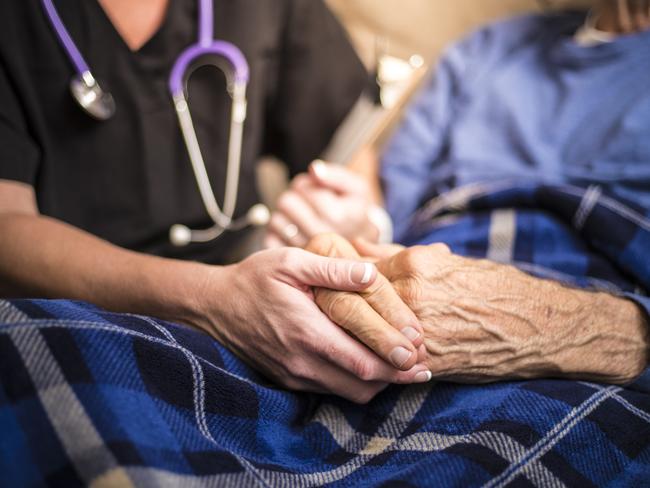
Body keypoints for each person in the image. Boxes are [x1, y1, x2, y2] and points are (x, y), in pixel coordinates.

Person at [0, 0, 432, 404]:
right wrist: (212, 301)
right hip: (76, 321)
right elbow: (7, 227)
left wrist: (359, 219)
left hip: (258, 297)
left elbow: (349, 149)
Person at [265, 0, 650, 385]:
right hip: (426, 270)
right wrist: (360, 222)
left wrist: (559, 327)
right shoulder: (487, 48)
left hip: (594, 298)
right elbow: (393, 201)